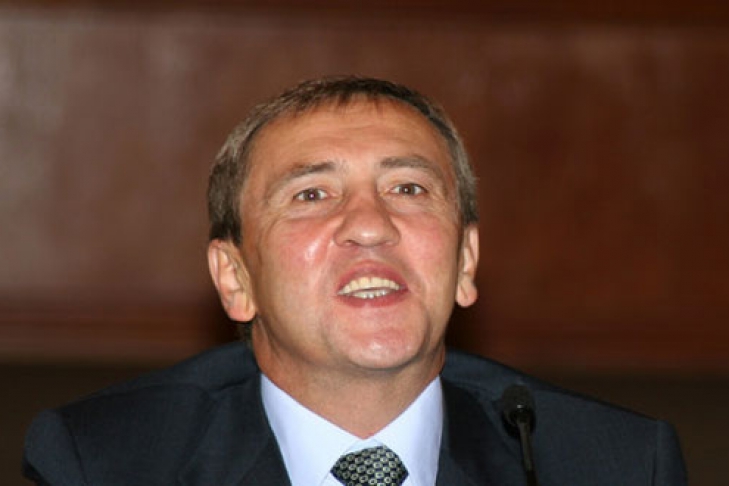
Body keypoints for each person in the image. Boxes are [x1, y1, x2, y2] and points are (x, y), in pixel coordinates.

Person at [23, 76, 687, 485]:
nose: (370, 226)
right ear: (235, 278)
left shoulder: (615, 464)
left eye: (407, 188)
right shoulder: (105, 462)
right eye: (311, 195)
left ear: (464, 262)